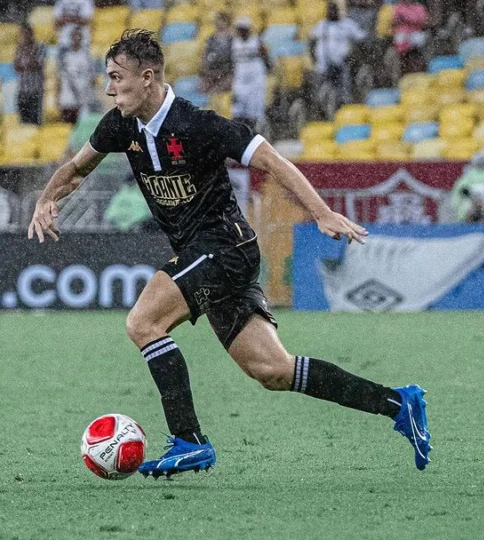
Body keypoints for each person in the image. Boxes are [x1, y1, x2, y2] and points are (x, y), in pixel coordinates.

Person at [27, 30, 431, 478]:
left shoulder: (199, 125)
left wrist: (320, 213)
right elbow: (76, 169)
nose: (108, 88)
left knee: (144, 322)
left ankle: (189, 440)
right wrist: (47, 199)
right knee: (274, 370)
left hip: (225, 246)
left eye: (116, 78)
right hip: (207, 256)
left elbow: (273, 162)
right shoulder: (121, 125)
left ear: (147, 77)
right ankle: (398, 403)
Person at [310, 3, 366, 107]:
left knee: (344, 86)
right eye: (329, 10)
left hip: (342, 63)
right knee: (320, 89)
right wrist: (313, 58)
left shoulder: (347, 24)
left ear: (338, 11)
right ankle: (320, 107)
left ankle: (345, 104)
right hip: (324, 65)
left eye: (334, 10)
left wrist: (354, 55)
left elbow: (361, 38)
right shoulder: (322, 25)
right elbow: (312, 41)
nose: (331, 13)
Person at [231, 18, 268, 130]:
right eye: (240, 30)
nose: (242, 32)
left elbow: (266, 57)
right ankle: (240, 129)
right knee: (238, 108)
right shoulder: (234, 43)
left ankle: (255, 130)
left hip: (255, 78)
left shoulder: (256, 41)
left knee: (255, 108)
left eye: (244, 29)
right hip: (240, 78)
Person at [58, 28, 93, 124]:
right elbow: (60, 78)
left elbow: (91, 78)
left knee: (82, 129)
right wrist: (57, 99)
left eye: (79, 37)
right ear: (71, 38)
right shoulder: (65, 57)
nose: (76, 39)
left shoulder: (86, 57)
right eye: (74, 37)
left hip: (82, 100)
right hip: (67, 99)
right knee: (66, 129)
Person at [14, 23, 46, 125]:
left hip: (35, 90)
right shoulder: (19, 48)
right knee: (23, 120)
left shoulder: (39, 47)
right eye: (23, 34)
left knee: (34, 120)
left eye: (27, 33)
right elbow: (16, 66)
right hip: (22, 89)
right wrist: (26, 63)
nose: (25, 36)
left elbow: (37, 65)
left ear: (31, 34)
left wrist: (27, 59)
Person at [200, 12, 234, 94]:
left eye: (221, 20)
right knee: (203, 85)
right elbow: (205, 53)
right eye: (217, 21)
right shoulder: (211, 38)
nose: (219, 23)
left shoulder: (232, 37)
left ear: (226, 22)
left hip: (227, 69)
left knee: (228, 81)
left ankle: (215, 92)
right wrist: (205, 69)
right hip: (213, 68)